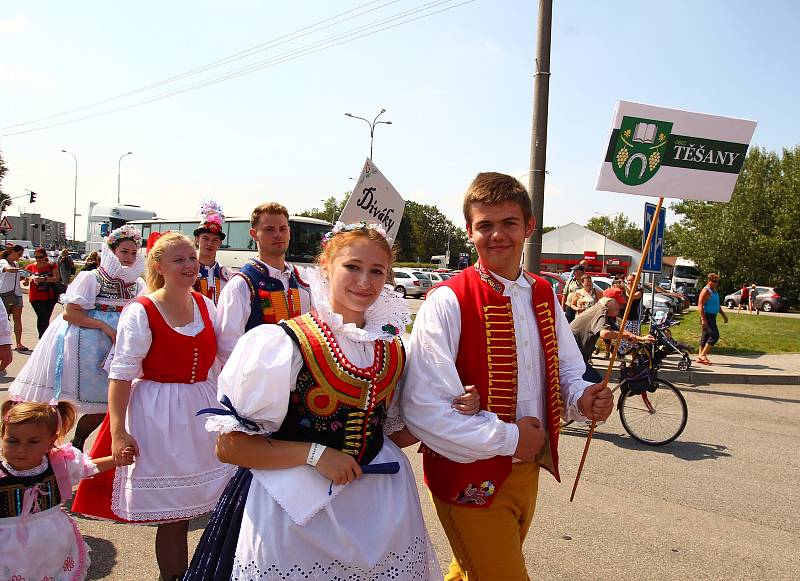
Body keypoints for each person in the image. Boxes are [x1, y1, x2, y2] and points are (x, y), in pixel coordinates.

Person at [186, 223, 478, 580]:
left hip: (379, 508)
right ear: (325, 267)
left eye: (377, 271)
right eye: (352, 267)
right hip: (293, 514)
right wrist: (315, 454)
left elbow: (396, 430)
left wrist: (452, 406)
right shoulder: (283, 344)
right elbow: (230, 447)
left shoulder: (395, 349)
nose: (365, 282)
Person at [401, 172, 614, 580]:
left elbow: (567, 368)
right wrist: (513, 437)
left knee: (470, 572)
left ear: (529, 227)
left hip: (527, 470)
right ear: (469, 231)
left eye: (509, 223)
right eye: (485, 225)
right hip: (468, 475)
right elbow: (423, 409)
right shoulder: (447, 300)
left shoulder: (543, 292)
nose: (497, 235)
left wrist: (583, 398)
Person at [71, 232, 234, 581]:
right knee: (175, 515)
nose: (190, 265)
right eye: (180, 260)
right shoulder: (142, 310)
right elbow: (120, 376)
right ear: (159, 265)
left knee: (210, 505)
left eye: (192, 258)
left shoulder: (206, 304)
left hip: (202, 409)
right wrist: (118, 432)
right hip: (159, 415)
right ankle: (173, 577)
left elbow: (227, 359)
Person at [8, 225, 146, 451]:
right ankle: (47, 445)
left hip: (119, 346)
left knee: (110, 402)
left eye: (133, 252)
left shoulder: (138, 283)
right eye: (124, 251)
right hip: (85, 344)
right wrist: (104, 326)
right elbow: (70, 313)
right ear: (111, 251)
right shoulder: (91, 277)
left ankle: (78, 443)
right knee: (68, 401)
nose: (129, 257)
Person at [0, 399, 131, 581]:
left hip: (52, 546)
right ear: (2, 436)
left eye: (33, 442)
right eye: (13, 441)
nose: (22, 449)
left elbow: (88, 467)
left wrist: (116, 460)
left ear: (50, 441)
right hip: (8, 551)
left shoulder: (58, 464)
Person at [215, 202, 311, 366]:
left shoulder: (302, 280)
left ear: (289, 232)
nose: (278, 235)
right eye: (269, 229)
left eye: (283, 229)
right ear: (254, 234)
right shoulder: (241, 285)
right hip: (258, 384)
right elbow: (228, 348)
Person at [571, 297, 654, 363]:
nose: (621, 306)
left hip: (578, 354)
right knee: (596, 382)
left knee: (594, 381)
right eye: (619, 303)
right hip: (573, 352)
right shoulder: (602, 310)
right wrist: (625, 336)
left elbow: (620, 331)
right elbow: (604, 334)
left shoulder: (605, 312)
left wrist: (642, 338)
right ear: (609, 302)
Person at [193, 200, 232, 305]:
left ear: (220, 243)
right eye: (205, 238)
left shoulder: (227, 275)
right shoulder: (187, 271)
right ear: (197, 239)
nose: (210, 243)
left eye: (215, 240)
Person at [22, 248, 61, 337]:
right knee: (42, 316)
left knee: (46, 318)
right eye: (36, 257)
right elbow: (25, 280)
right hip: (36, 297)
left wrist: (44, 279)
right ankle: (42, 337)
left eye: (41, 257)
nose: (39, 259)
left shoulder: (51, 265)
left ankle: (44, 338)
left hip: (50, 296)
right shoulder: (30, 267)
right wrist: (26, 281)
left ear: (45, 256)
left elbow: (56, 278)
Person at [0, 245, 28, 353]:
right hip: (4, 294)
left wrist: (25, 279)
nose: (20, 257)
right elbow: (9, 270)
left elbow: (17, 276)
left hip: (17, 294)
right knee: (3, 320)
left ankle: (19, 343)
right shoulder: (3, 262)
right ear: (12, 252)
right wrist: (22, 271)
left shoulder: (16, 264)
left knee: (17, 319)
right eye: (19, 254)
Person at [697, 272, 728, 365]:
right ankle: (703, 355)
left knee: (705, 336)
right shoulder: (706, 290)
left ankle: (700, 357)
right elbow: (700, 305)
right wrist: (703, 319)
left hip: (713, 316)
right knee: (714, 335)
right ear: (709, 281)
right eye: (714, 281)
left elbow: (717, 305)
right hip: (707, 316)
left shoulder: (715, 291)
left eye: (717, 281)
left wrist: (723, 315)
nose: (716, 283)